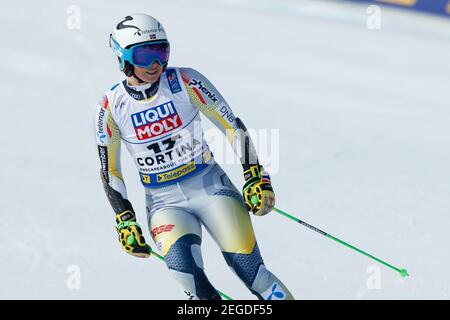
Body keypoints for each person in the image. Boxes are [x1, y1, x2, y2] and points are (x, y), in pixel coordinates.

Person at [94, 13, 293, 300]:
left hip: (212, 189)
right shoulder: (110, 107)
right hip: (164, 204)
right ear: (122, 57)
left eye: (161, 52)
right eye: (144, 55)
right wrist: (125, 219)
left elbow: (231, 125)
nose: (155, 64)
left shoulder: (185, 80)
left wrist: (255, 175)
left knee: (254, 275)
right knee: (193, 286)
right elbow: (110, 170)